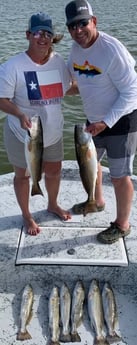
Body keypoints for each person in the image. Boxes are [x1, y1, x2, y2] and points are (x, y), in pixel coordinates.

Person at [65, 0, 137, 244]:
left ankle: (122, 224)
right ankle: (95, 202)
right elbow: (76, 83)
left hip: (121, 121)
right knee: (92, 167)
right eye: (73, 26)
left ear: (94, 21)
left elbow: (132, 92)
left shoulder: (112, 50)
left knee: (119, 176)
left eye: (83, 23)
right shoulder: (75, 50)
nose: (78, 30)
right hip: (94, 121)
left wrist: (106, 122)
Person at [0, 12, 77, 235]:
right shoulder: (12, 66)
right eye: (38, 33)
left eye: (48, 34)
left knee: (54, 171)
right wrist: (18, 114)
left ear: (53, 38)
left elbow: (66, 89)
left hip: (52, 131)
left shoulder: (58, 62)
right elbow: (2, 99)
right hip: (23, 133)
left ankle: (52, 204)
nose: (43, 38)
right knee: (23, 176)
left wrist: (99, 86)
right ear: (28, 35)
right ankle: (26, 215)